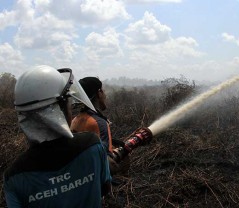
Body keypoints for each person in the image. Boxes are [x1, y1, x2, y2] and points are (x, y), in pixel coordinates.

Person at [3, 66, 112, 207]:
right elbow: (105, 188)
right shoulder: (92, 145)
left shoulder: (13, 176)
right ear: (60, 108)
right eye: (68, 103)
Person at [70, 77, 152, 176]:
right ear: (99, 93)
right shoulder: (99, 123)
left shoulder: (75, 120)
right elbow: (106, 164)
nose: (105, 95)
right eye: (103, 91)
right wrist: (129, 146)